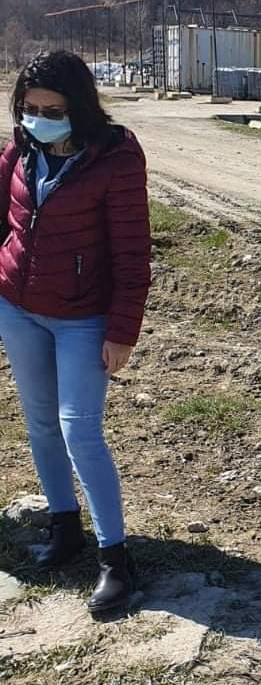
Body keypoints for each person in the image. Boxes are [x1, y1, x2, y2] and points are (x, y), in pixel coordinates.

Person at [0, 51, 152, 614]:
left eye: (52, 110)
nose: (38, 119)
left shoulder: (115, 157)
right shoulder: (19, 150)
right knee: (40, 422)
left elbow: (133, 253)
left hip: (83, 318)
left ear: (79, 107)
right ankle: (65, 528)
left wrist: (122, 331)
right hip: (18, 309)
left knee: (78, 429)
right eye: (30, 108)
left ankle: (116, 559)